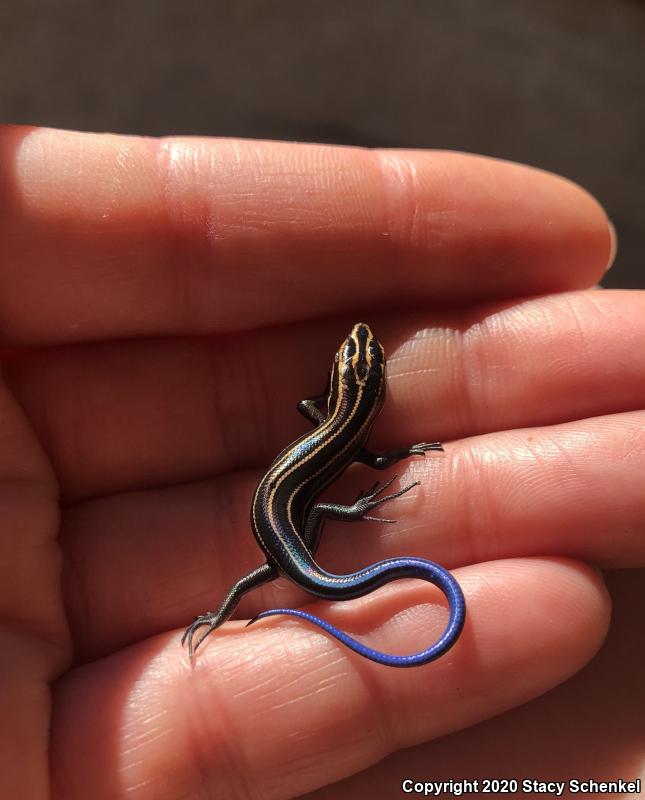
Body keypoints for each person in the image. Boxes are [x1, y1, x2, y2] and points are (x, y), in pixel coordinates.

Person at [0, 125, 641, 800]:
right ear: (357, 388)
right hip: (292, 538)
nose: (356, 349)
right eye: (354, 356)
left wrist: (355, 497)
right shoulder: (352, 431)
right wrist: (365, 491)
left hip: (287, 539)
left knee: (290, 553)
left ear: (347, 386)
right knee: (299, 543)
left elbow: (331, 425)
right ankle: (230, 611)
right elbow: (365, 454)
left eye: (357, 357)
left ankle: (226, 615)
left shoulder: (329, 419)